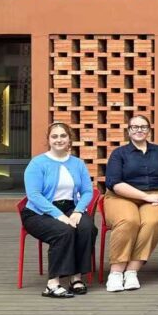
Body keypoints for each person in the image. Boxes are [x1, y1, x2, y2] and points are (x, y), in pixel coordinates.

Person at [103, 115, 158, 292]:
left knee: (152, 223)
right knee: (129, 221)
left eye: (143, 127)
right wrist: (146, 197)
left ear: (149, 130)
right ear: (128, 130)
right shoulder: (119, 154)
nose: (139, 130)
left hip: (156, 195)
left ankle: (132, 271)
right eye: (135, 127)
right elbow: (114, 183)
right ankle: (116, 273)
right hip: (121, 196)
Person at [21, 122, 96, 298]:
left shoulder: (77, 163)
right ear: (48, 139)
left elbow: (87, 191)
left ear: (70, 139)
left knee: (87, 228)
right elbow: (34, 195)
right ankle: (52, 284)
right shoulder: (37, 163)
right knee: (64, 231)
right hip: (38, 212)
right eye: (54, 136)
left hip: (70, 207)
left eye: (63, 136)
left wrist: (78, 211)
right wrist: (59, 215)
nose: (59, 140)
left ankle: (76, 278)